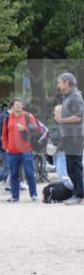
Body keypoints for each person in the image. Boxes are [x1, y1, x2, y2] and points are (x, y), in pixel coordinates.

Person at [53, 72, 84, 204]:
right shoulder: (67, 96)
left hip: (75, 135)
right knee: (71, 166)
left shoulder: (75, 96)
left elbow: (79, 117)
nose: (58, 85)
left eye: (60, 82)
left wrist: (61, 119)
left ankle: (79, 196)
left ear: (67, 82)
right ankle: (78, 195)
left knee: (74, 166)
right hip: (69, 135)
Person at [0, 98, 39, 203]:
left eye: (21, 104)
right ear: (12, 106)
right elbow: (4, 135)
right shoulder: (7, 119)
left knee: (29, 173)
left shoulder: (28, 116)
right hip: (12, 151)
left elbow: (36, 130)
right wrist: (6, 147)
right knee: (13, 174)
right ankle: (15, 196)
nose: (19, 106)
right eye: (17, 104)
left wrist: (25, 128)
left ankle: (34, 194)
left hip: (26, 149)